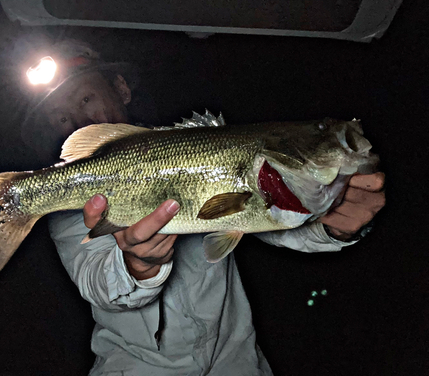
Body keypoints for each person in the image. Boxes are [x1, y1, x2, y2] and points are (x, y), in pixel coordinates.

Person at [22, 40, 385, 375]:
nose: (80, 120)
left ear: (121, 87)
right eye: (62, 118)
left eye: (85, 99)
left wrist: (333, 225)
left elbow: (279, 227)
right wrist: (139, 265)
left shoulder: (195, 143)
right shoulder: (68, 204)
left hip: (238, 361)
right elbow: (96, 281)